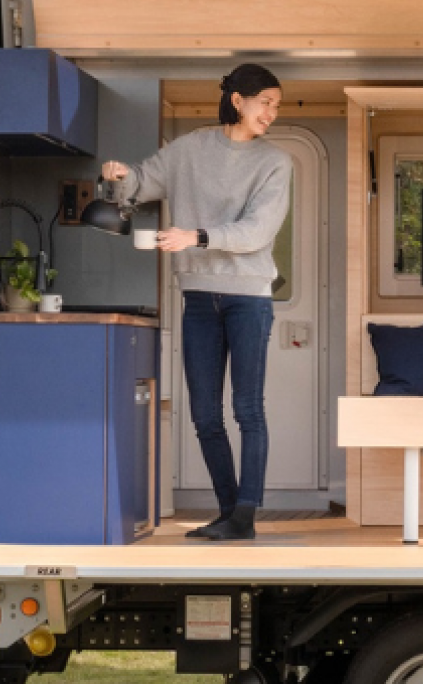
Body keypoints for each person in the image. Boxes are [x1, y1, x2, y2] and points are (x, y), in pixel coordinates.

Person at [101, 64, 291, 541]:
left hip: (249, 297)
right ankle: (229, 513)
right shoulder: (189, 150)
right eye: (265, 101)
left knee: (248, 409)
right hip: (199, 298)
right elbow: (141, 185)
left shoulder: (276, 163)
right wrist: (119, 176)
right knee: (204, 414)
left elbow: (257, 232)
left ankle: (245, 513)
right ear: (238, 101)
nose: (271, 112)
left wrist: (197, 236)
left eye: (276, 105)